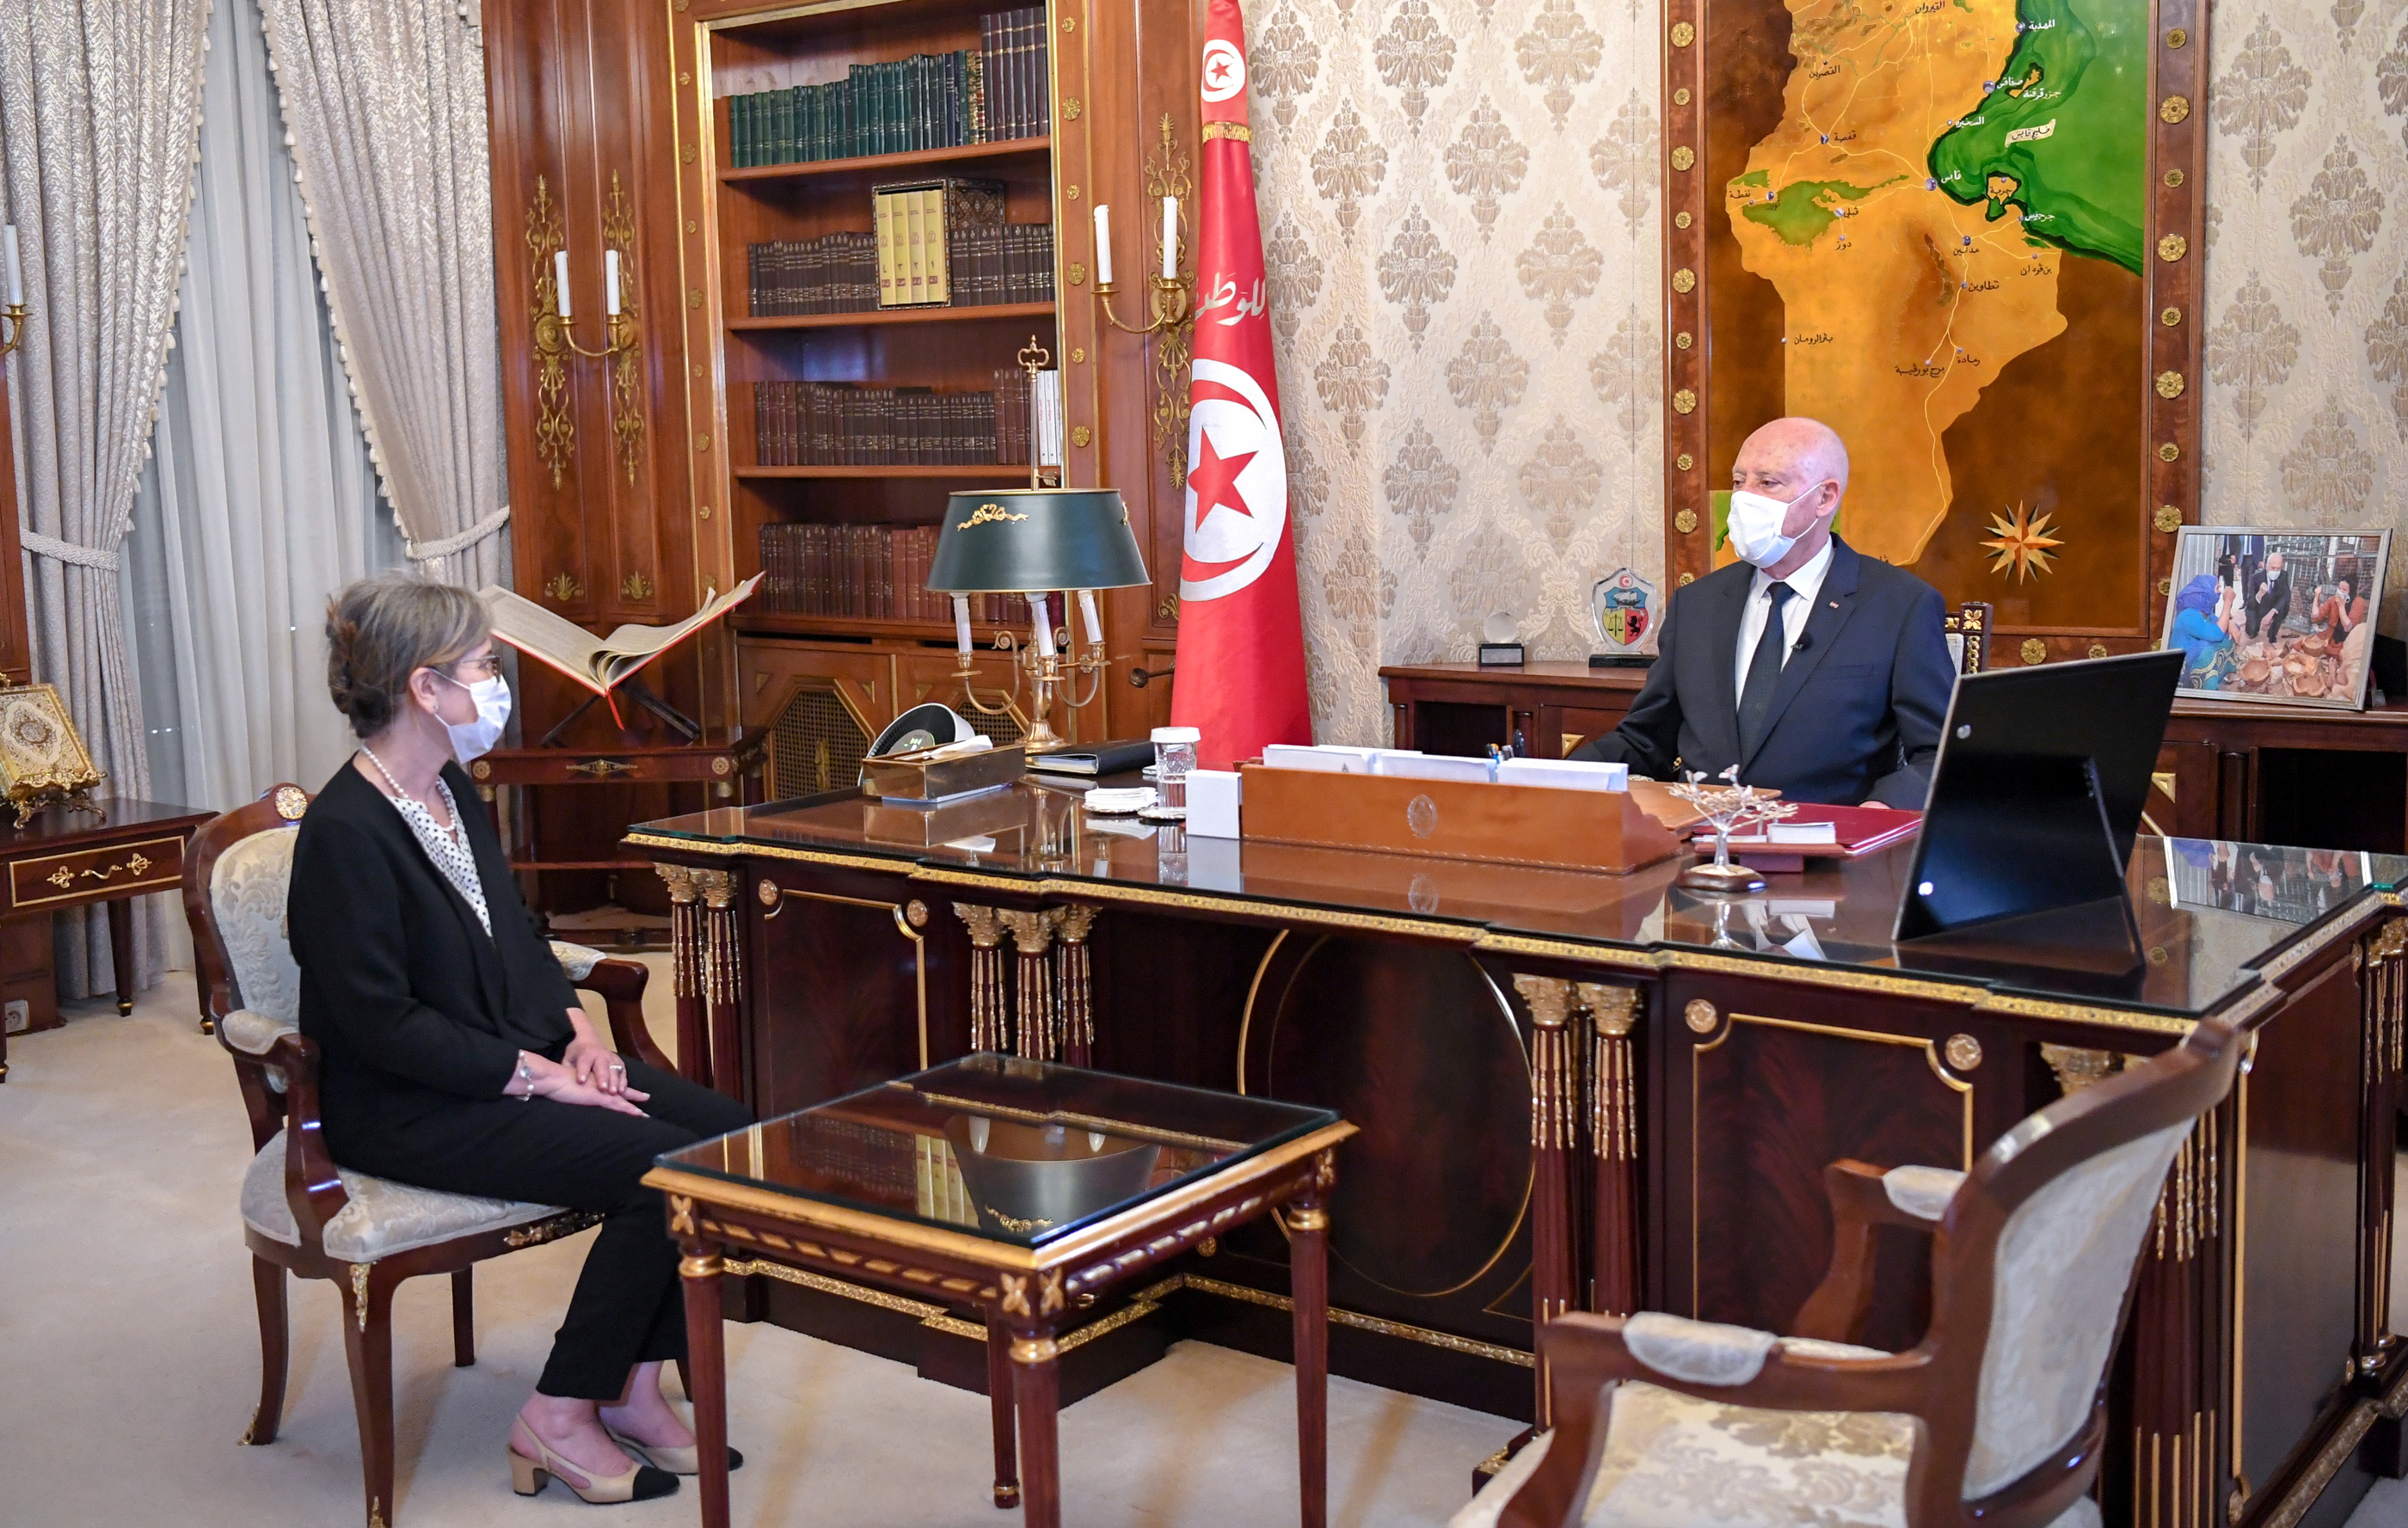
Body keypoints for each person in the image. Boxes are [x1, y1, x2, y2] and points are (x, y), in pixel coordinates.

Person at [288, 574, 752, 1507]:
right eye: (483, 667)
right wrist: (537, 1077)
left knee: (727, 1137)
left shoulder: (451, 787)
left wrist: (577, 1033)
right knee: (655, 1162)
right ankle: (560, 1412)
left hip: (504, 1058)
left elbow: (517, 933)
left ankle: (631, 1387)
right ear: (425, 688)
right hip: (407, 1104)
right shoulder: (344, 832)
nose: (497, 685)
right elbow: (380, 1024)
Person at [1571, 417, 1954, 807]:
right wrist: (1550, 777)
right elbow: (1646, 740)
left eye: (1767, 483)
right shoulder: (1697, 605)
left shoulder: (1900, 605)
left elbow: (1939, 753)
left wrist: (1879, 813)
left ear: (1825, 498)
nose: (1743, 498)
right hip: (1702, 841)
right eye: (1739, 482)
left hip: (1828, 846)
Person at [2245, 549, 2292, 641]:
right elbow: (2250, 604)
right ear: (2266, 566)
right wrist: (2260, 594)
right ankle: (2254, 628)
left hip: (2272, 606)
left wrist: (2272, 612)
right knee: (2251, 633)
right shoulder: (2256, 578)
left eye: (2279, 568)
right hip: (2258, 607)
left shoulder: (2283, 575)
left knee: (2284, 607)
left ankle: (2272, 633)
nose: (2276, 571)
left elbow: (2287, 595)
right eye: (2273, 568)